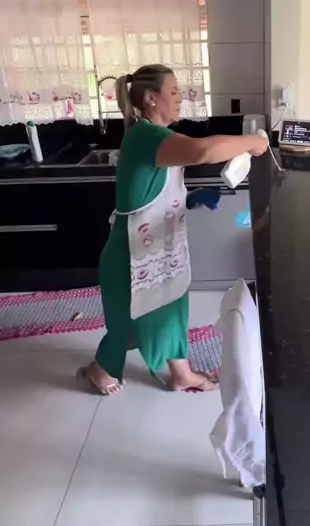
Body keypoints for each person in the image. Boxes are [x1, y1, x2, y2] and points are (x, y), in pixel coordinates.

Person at [79, 64, 268, 396]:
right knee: (129, 322)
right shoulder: (148, 136)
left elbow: (151, 192)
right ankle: (100, 370)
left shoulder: (157, 137)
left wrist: (191, 198)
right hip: (131, 254)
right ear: (151, 98)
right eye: (174, 91)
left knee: (172, 307)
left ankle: (181, 373)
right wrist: (253, 141)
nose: (181, 98)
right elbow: (204, 151)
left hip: (159, 248)